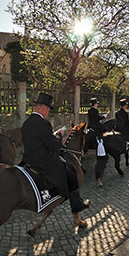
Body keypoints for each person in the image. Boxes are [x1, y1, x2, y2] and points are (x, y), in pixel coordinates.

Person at [19, 92, 91, 228]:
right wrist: (59, 135)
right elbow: (54, 145)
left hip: (28, 159)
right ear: (42, 108)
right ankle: (77, 203)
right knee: (71, 173)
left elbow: (37, 140)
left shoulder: (26, 123)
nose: (47, 113)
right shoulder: (43, 124)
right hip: (43, 161)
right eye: (47, 110)